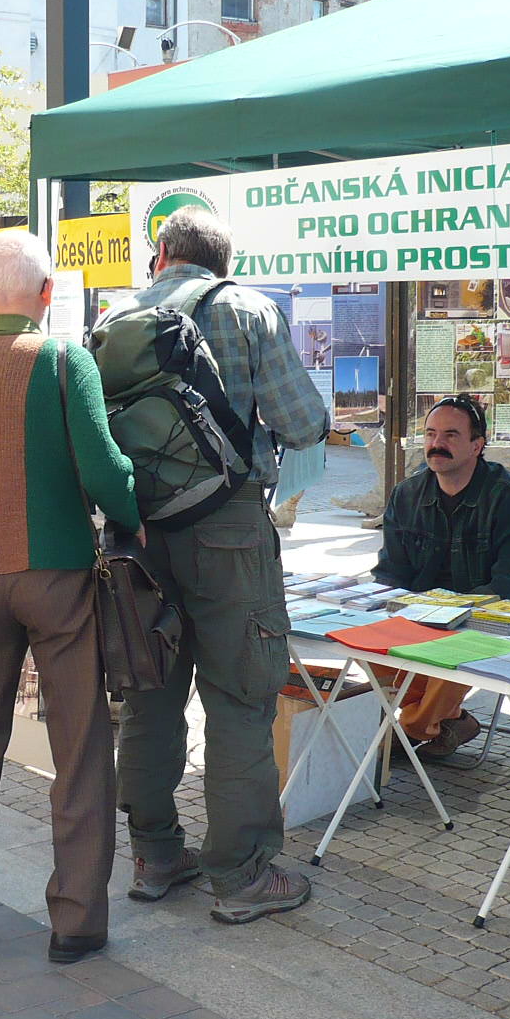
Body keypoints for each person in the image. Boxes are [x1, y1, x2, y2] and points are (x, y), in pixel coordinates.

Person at [0, 231, 140, 964]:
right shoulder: (65, 359)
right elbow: (104, 470)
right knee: (77, 745)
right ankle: (75, 918)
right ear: (48, 295)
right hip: (59, 575)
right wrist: (133, 510)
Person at [112, 206, 328, 925]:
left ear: (162, 254)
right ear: (222, 262)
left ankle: (155, 855)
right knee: (239, 699)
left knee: (150, 694)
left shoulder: (114, 319)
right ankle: (240, 876)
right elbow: (302, 424)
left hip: (139, 536)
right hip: (230, 530)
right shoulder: (246, 308)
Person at [372, 394, 510, 757]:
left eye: (451, 435)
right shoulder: (406, 494)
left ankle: (409, 730)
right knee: (365, 644)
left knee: (451, 651)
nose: (437, 444)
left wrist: (451, 614)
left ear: (477, 445)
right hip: (422, 615)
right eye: (431, 434)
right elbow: (391, 572)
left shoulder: (509, 497)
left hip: (487, 616)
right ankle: (449, 720)